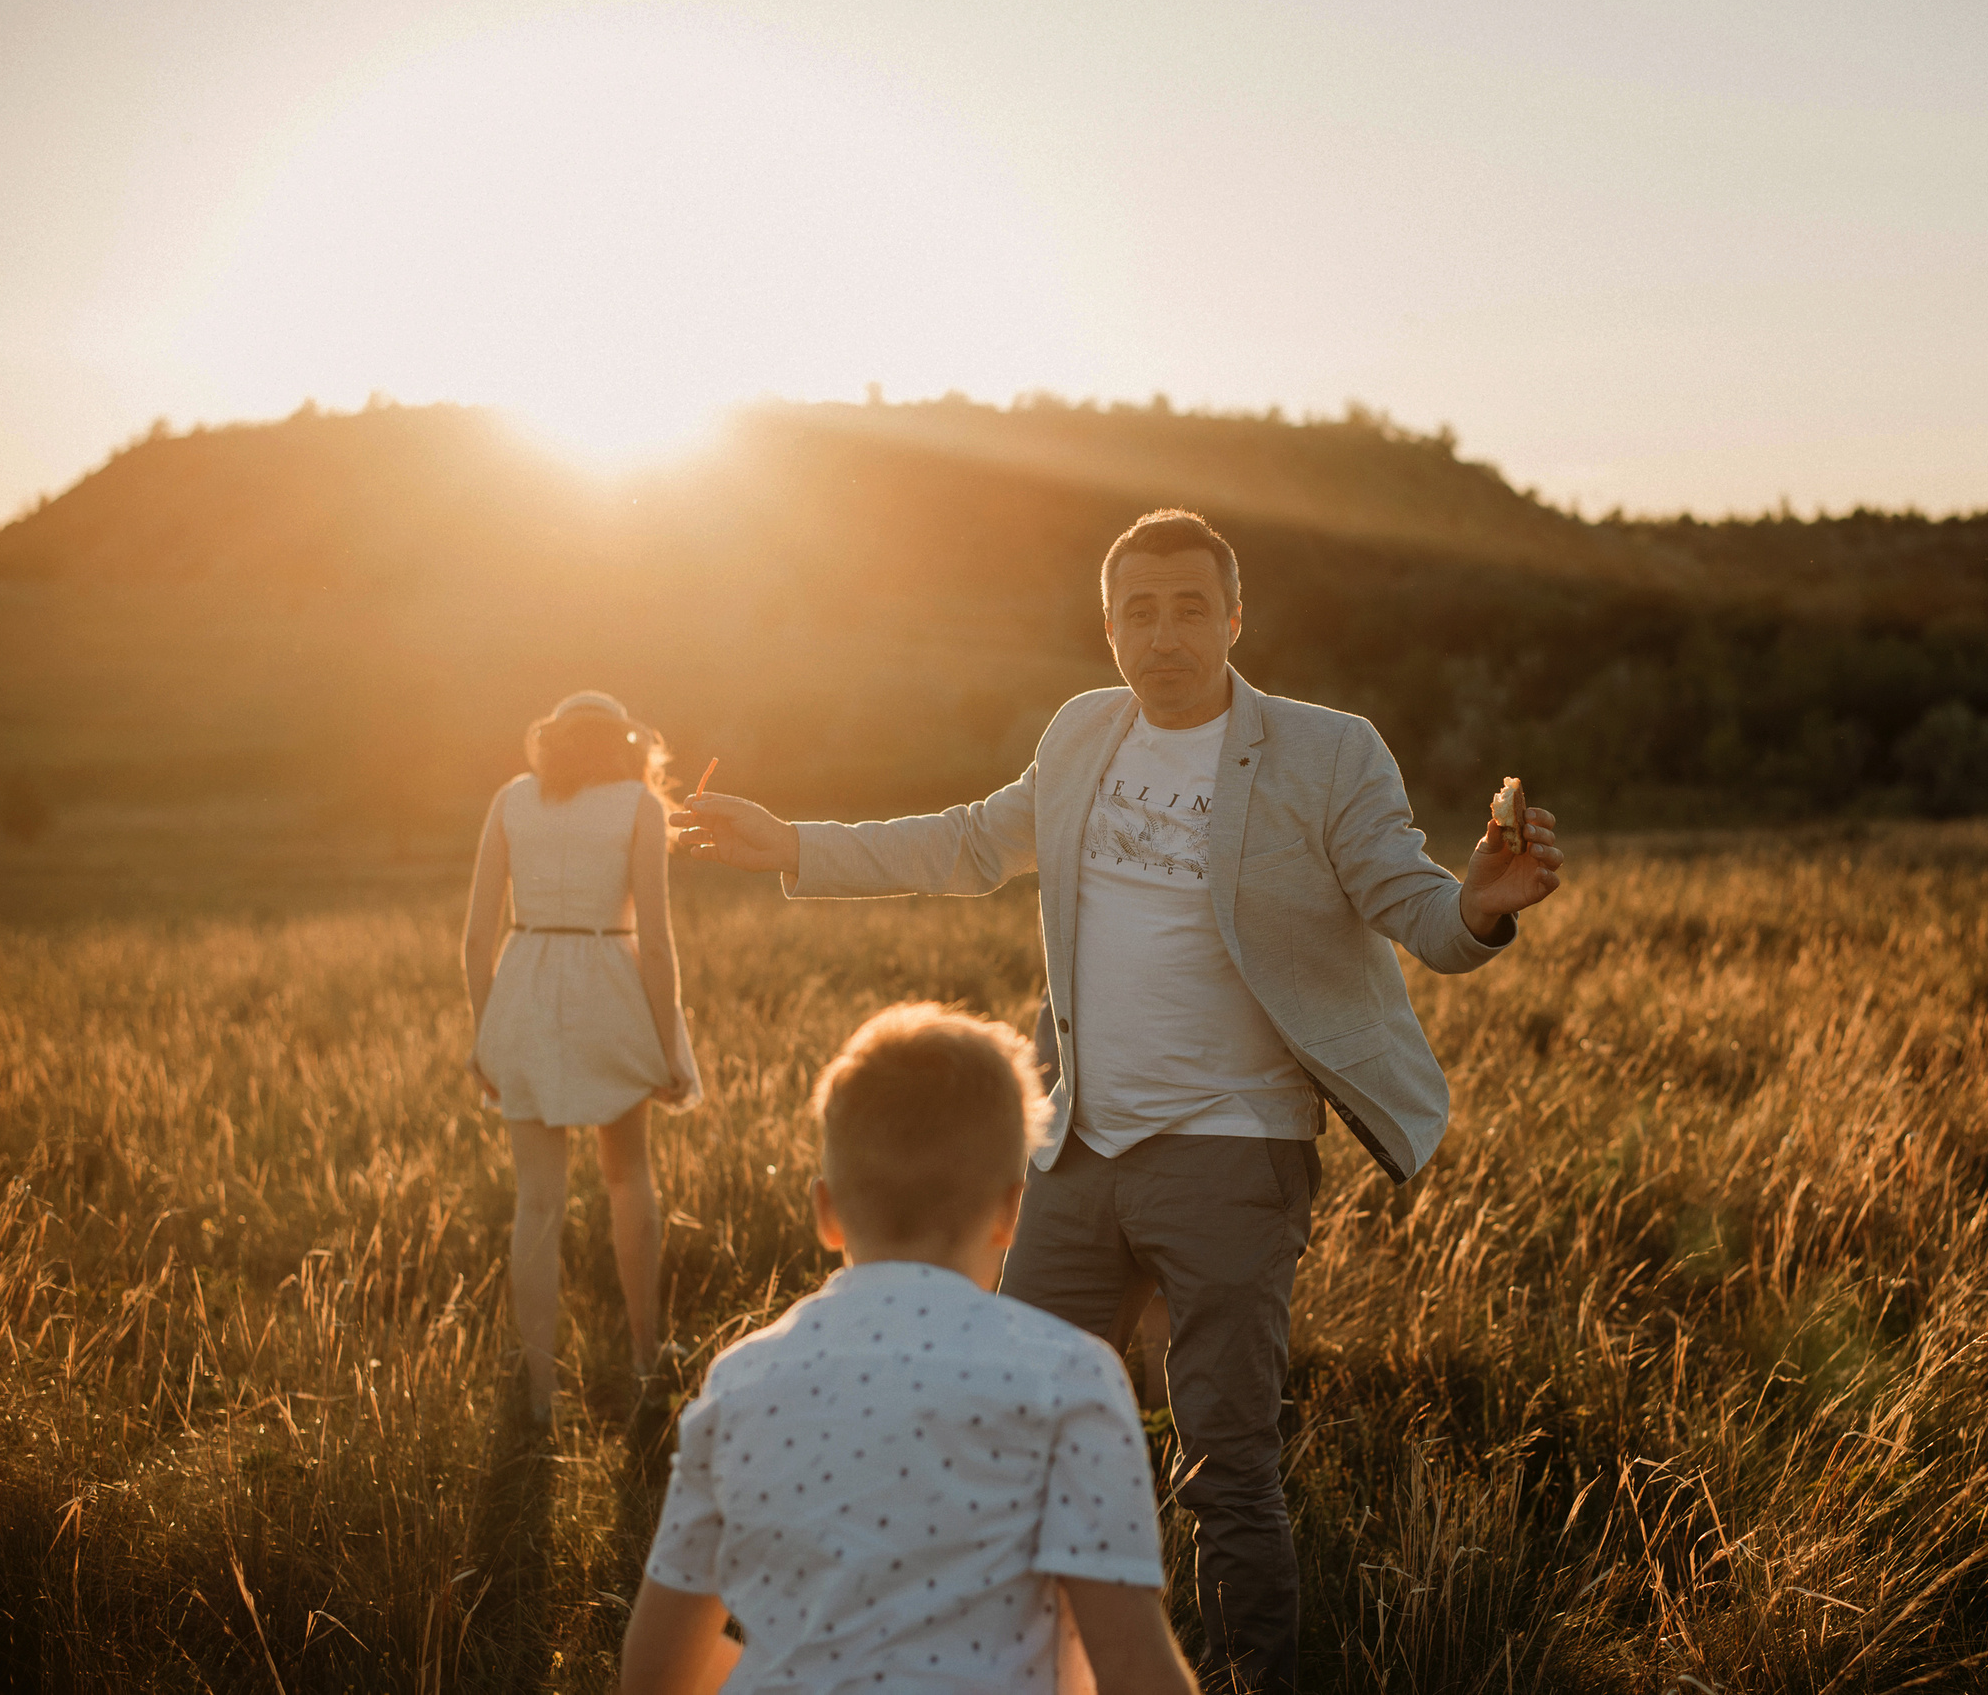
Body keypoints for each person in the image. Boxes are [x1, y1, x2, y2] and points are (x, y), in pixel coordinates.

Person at [678, 509, 1563, 1691]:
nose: (1164, 633)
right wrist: (793, 840)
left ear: (1235, 617)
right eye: (1137, 610)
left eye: (1190, 605)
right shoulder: (1083, 733)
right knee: (1007, 1430)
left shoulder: (1326, 750)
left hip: (1235, 1152)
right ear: (1107, 628)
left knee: (1227, 1458)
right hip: (1076, 1149)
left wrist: (1483, 903)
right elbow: (967, 843)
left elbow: (1417, 907)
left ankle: (1253, 1673)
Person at [619, 1003, 1197, 1695]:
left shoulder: (740, 1381)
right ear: (1012, 1212)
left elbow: (653, 1673)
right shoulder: (1068, 1378)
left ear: (825, 1210)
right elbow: (1134, 1668)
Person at [462, 690, 703, 1431]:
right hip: (608, 979)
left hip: (526, 980)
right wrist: (667, 1045)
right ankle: (645, 1356)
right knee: (629, 1178)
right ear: (628, 744)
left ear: (554, 741)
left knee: (536, 1199)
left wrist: (485, 1034)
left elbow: (476, 937)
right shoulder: (640, 804)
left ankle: (537, 1392)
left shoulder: (512, 798)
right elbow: (657, 941)